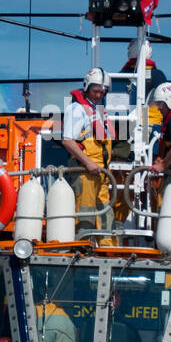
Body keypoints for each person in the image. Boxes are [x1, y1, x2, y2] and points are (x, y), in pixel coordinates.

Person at [61, 68, 114, 239]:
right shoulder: (77, 109)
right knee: (85, 213)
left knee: (106, 213)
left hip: (101, 173)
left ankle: (108, 250)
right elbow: (68, 141)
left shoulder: (97, 110)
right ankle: (83, 249)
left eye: (102, 92)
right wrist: (88, 163)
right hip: (85, 172)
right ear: (87, 87)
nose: (99, 95)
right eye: (96, 91)